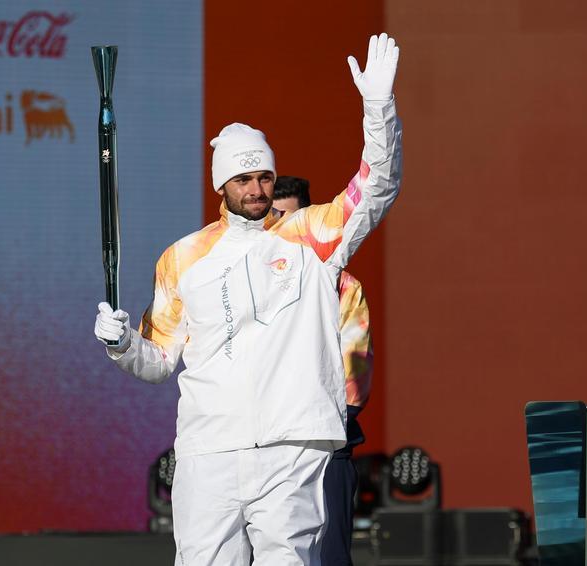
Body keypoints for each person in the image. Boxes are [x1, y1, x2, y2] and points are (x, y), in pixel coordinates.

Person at [93, 34, 401, 566]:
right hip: (208, 449)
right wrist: (122, 345)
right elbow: (159, 359)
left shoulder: (311, 237)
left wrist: (379, 109)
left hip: (292, 444)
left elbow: (377, 186)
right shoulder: (183, 258)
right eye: (243, 179)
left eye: (264, 177)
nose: (257, 189)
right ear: (222, 184)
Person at [273, 176, 373, 565]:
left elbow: (354, 377)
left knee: (328, 557)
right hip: (264, 447)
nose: (281, 227)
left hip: (325, 445)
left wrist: (312, 422)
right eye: (273, 217)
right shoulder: (245, 284)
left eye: (290, 217)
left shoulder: (343, 287)